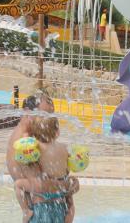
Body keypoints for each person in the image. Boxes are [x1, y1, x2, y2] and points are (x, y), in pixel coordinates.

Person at [6, 92, 79, 222]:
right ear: (28, 112)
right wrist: (68, 185)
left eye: (51, 114)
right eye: (44, 115)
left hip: (46, 207)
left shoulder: (34, 139)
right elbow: (39, 184)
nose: (49, 119)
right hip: (41, 211)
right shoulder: (26, 144)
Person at [14, 117, 75, 223]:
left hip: (43, 193)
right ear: (57, 132)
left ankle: (26, 211)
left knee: (18, 185)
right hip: (60, 196)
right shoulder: (64, 147)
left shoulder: (37, 147)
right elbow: (67, 169)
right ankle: (71, 210)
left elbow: (23, 146)